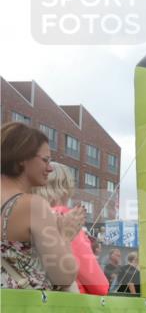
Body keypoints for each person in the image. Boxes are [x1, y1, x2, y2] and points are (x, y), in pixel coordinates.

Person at [1, 122, 81, 290]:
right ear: (22, 159)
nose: (50, 168)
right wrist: (65, 235)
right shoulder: (32, 206)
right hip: (19, 312)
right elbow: (64, 276)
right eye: (45, 160)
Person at [33, 163, 109, 295]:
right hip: (65, 304)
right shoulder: (67, 219)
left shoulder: (27, 216)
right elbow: (98, 285)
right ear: (65, 187)